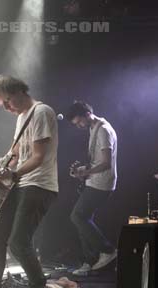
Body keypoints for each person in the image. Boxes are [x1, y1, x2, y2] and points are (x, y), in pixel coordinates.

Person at [0, 75, 59, 288]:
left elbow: (38, 156)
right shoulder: (22, 117)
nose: (6, 108)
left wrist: (13, 174)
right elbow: (16, 153)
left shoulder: (42, 112)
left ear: (16, 93)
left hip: (39, 185)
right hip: (20, 183)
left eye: (6, 103)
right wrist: (3, 169)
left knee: (18, 241)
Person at [66, 101, 118, 276]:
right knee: (83, 220)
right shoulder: (93, 128)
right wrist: (82, 170)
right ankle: (89, 262)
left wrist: (86, 172)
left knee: (77, 216)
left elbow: (106, 163)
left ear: (87, 114)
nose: (79, 125)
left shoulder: (103, 129)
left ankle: (108, 250)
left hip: (102, 183)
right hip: (94, 181)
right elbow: (97, 160)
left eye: (79, 121)